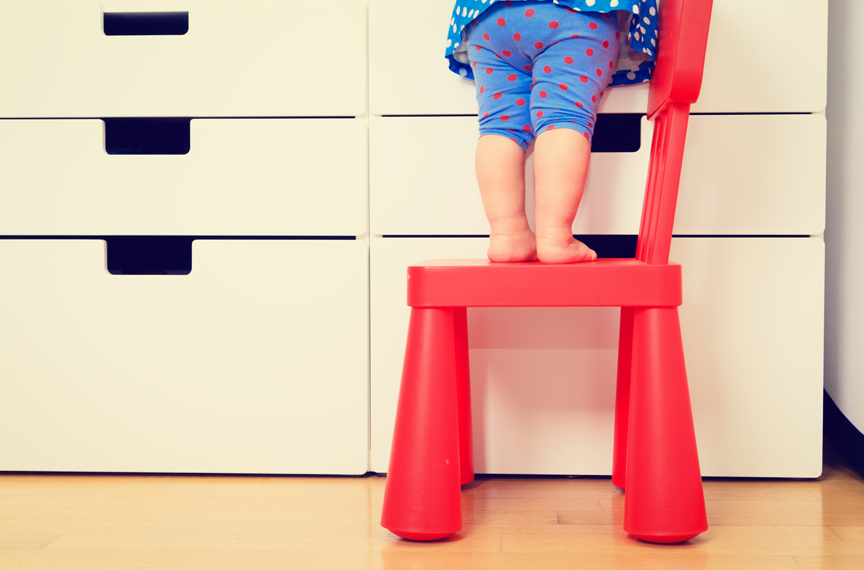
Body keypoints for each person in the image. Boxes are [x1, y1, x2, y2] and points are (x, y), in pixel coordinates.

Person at [445, 0, 659, 263]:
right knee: (564, 117)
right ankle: (556, 237)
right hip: (574, 14)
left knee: (499, 128)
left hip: (487, 18)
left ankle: (507, 236)